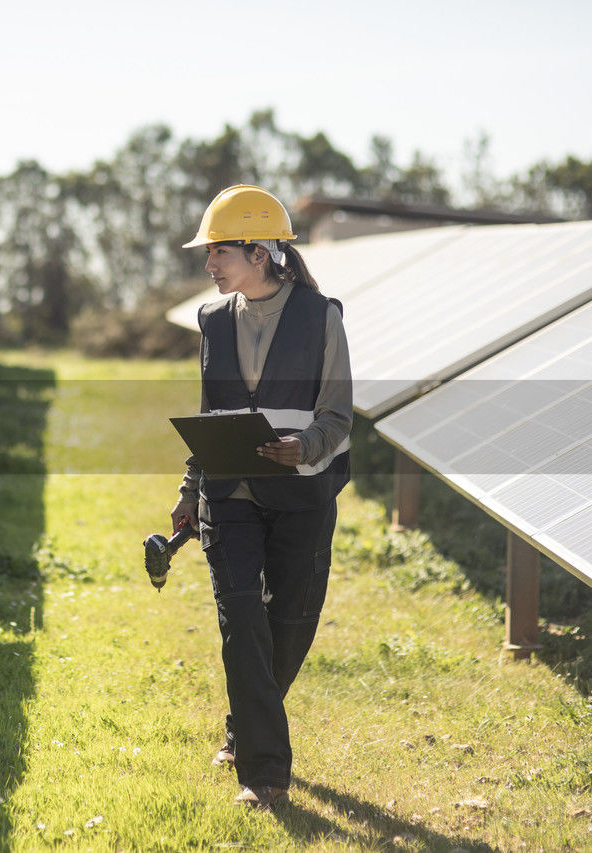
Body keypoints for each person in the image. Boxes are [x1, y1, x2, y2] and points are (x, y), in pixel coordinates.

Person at [169, 184, 352, 810]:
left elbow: (337, 414)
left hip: (302, 492)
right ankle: (265, 770)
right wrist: (191, 489)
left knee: (290, 621)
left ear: (260, 251)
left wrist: (302, 448)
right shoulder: (212, 321)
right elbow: (209, 412)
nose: (209, 264)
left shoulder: (321, 316)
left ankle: (240, 726)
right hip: (230, 494)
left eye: (219, 251)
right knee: (240, 617)